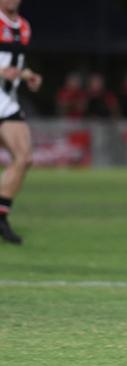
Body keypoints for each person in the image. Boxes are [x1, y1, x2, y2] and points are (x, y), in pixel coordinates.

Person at [0, 0, 41, 244]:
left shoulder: (23, 27)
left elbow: (14, 64)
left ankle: (1, 215)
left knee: (24, 157)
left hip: (7, 100)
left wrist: (28, 76)